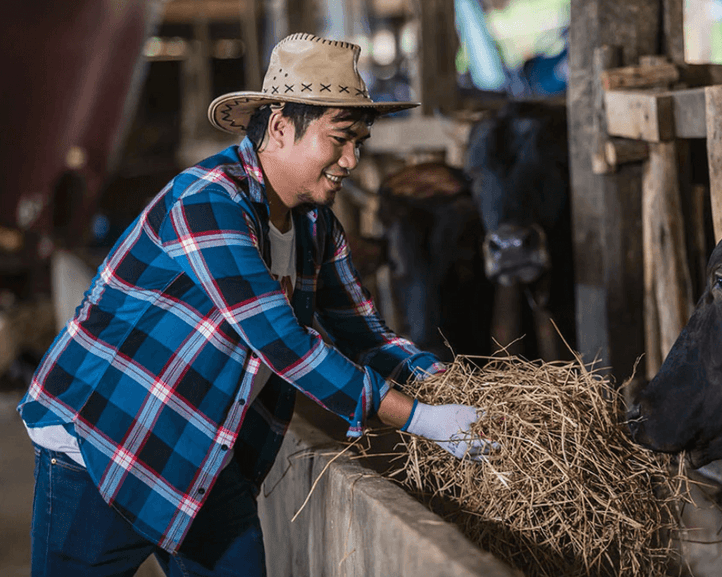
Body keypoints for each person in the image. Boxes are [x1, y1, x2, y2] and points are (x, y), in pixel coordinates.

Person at [18, 33, 493, 577]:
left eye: (359, 141)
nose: (352, 159)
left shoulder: (316, 226)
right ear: (280, 127)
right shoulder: (207, 201)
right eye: (340, 138)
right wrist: (421, 419)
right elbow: (284, 344)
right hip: (105, 438)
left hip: (199, 447)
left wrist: (453, 388)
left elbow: (366, 334)